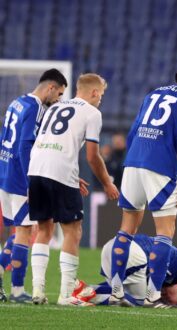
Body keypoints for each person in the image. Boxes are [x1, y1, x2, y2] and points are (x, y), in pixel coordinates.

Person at [109, 58, 177, 309]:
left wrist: (132, 162)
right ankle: (153, 294)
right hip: (160, 166)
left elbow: (133, 131)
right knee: (165, 231)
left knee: (127, 228)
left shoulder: (153, 93)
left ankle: (116, 290)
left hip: (133, 163)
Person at [28, 73, 120, 306]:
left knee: (43, 229)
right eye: (102, 95)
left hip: (37, 168)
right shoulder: (92, 113)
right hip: (59, 171)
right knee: (73, 231)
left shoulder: (54, 108)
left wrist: (70, 172)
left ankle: (37, 291)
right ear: (95, 93)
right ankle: (66, 294)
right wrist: (107, 183)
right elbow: (92, 156)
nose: (101, 99)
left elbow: (49, 142)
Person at [0, 69, 68, 303]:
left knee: (18, 230)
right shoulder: (35, 108)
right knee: (25, 232)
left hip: (4, 173)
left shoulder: (17, 102)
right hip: (20, 179)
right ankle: (18, 290)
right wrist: (32, 181)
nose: (58, 100)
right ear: (50, 87)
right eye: (58, 94)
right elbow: (24, 146)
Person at [86, 233, 177, 308]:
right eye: (168, 298)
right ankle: (93, 297)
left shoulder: (154, 281)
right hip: (134, 252)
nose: (163, 297)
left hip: (113, 247)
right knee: (139, 301)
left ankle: (85, 289)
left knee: (121, 292)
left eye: (165, 300)